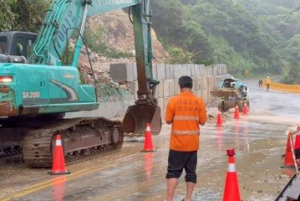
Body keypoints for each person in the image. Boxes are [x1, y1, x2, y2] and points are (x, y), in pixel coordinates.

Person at [165, 76, 207, 201]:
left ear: (180, 85)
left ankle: (169, 199)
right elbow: (203, 121)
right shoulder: (199, 102)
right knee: (191, 172)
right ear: (191, 86)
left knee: (173, 172)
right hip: (192, 144)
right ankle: (188, 198)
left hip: (177, 145)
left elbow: (168, 120)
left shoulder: (173, 101)